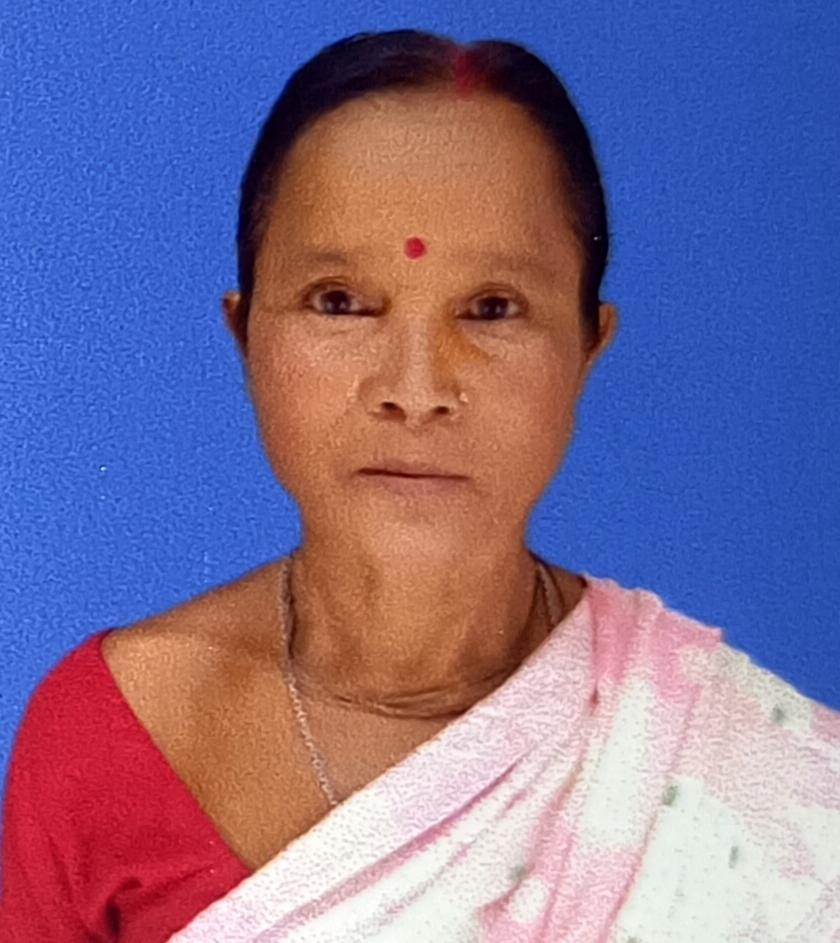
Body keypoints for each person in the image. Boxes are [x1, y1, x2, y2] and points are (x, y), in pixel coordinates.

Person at [1, 28, 838, 943]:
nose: (416, 386)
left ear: (587, 346)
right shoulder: (113, 736)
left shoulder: (766, 787)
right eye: (339, 301)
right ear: (246, 336)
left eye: (492, 309)